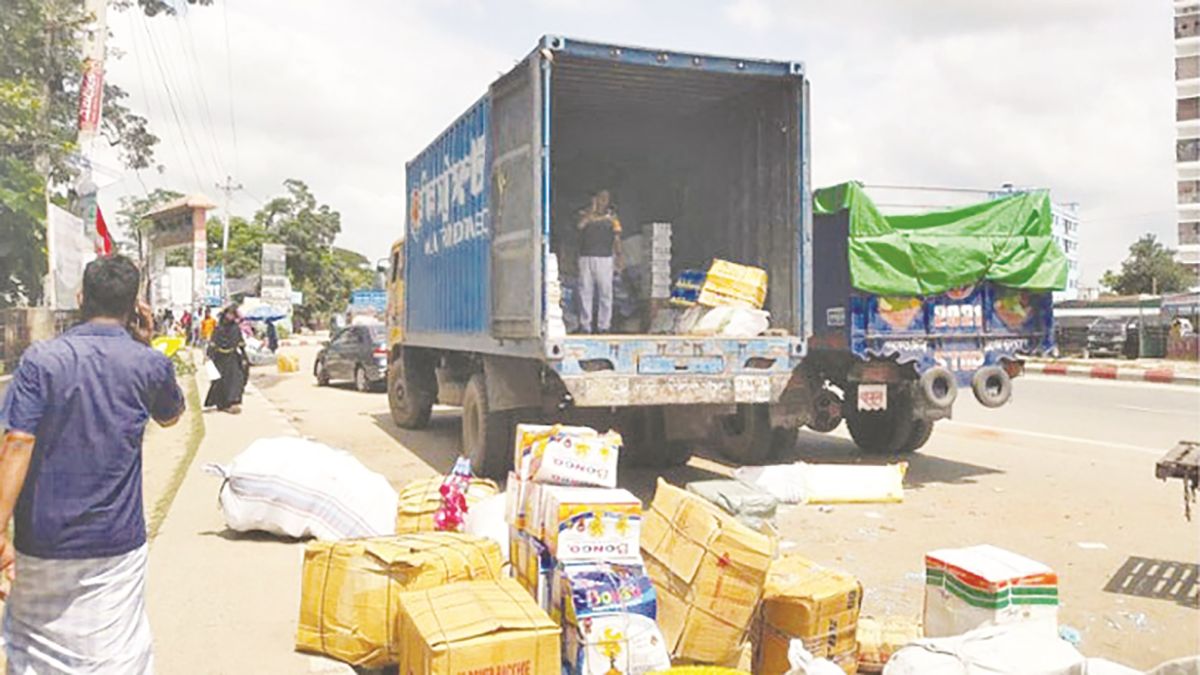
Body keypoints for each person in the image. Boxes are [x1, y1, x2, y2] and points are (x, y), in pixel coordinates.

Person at [0, 255, 184, 673]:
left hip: (41, 538)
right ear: (136, 305)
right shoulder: (149, 363)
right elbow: (171, 417)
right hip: (115, 542)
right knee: (113, 653)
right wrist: (146, 343)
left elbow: (17, 442)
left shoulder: (40, 361)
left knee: (31, 647)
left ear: (81, 297)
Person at [575, 189, 623, 334]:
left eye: (605, 198)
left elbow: (617, 238)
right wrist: (594, 211)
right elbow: (580, 225)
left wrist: (619, 256)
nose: (603, 201)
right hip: (586, 257)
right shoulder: (584, 214)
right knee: (585, 291)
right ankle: (585, 325)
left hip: (605, 258)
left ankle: (604, 326)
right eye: (600, 198)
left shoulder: (613, 218)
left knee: (605, 293)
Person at [204, 306, 249, 413]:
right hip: (219, 358)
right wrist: (208, 355)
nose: (231, 317)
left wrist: (244, 357)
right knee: (220, 381)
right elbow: (213, 343)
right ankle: (222, 404)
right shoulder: (218, 329)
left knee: (236, 379)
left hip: (232, 358)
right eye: (229, 314)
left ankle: (233, 402)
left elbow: (240, 343)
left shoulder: (235, 328)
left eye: (233, 315)